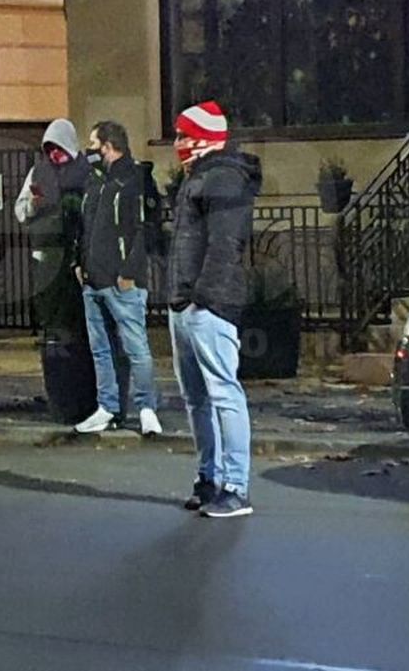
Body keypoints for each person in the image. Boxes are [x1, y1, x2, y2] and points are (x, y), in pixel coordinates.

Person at [168, 101, 261, 518]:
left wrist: (200, 297)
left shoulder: (223, 178)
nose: (177, 143)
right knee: (199, 399)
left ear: (203, 139)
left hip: (207, 304)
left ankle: (234, 487)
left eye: (183, 135)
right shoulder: (202, 177)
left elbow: (226, 244)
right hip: (189, 302)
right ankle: (209, 479)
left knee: (222, 394)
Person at [74, 121, 163, 436]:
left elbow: (144, 230)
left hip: (122, 281)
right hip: (93, 279)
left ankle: (147, 408)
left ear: (108, 146)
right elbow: (85, 226)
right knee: (101, 349)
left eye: (93, 143)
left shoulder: (134, 179)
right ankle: (108, 407)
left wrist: (129, 272)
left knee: (135, 347)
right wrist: (79, 263)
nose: (89, 150)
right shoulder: (96, 181)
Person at [13, 119, 93, 423]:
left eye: (58, 149)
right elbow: (20, 211)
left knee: (78, 327)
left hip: (75, 258)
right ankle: (60, 393)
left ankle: (82, 394)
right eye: (49, 150)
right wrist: (33, 205)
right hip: (45, 257)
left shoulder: (85, 172)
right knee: (53, 326)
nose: (54, 155)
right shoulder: (39, 172)